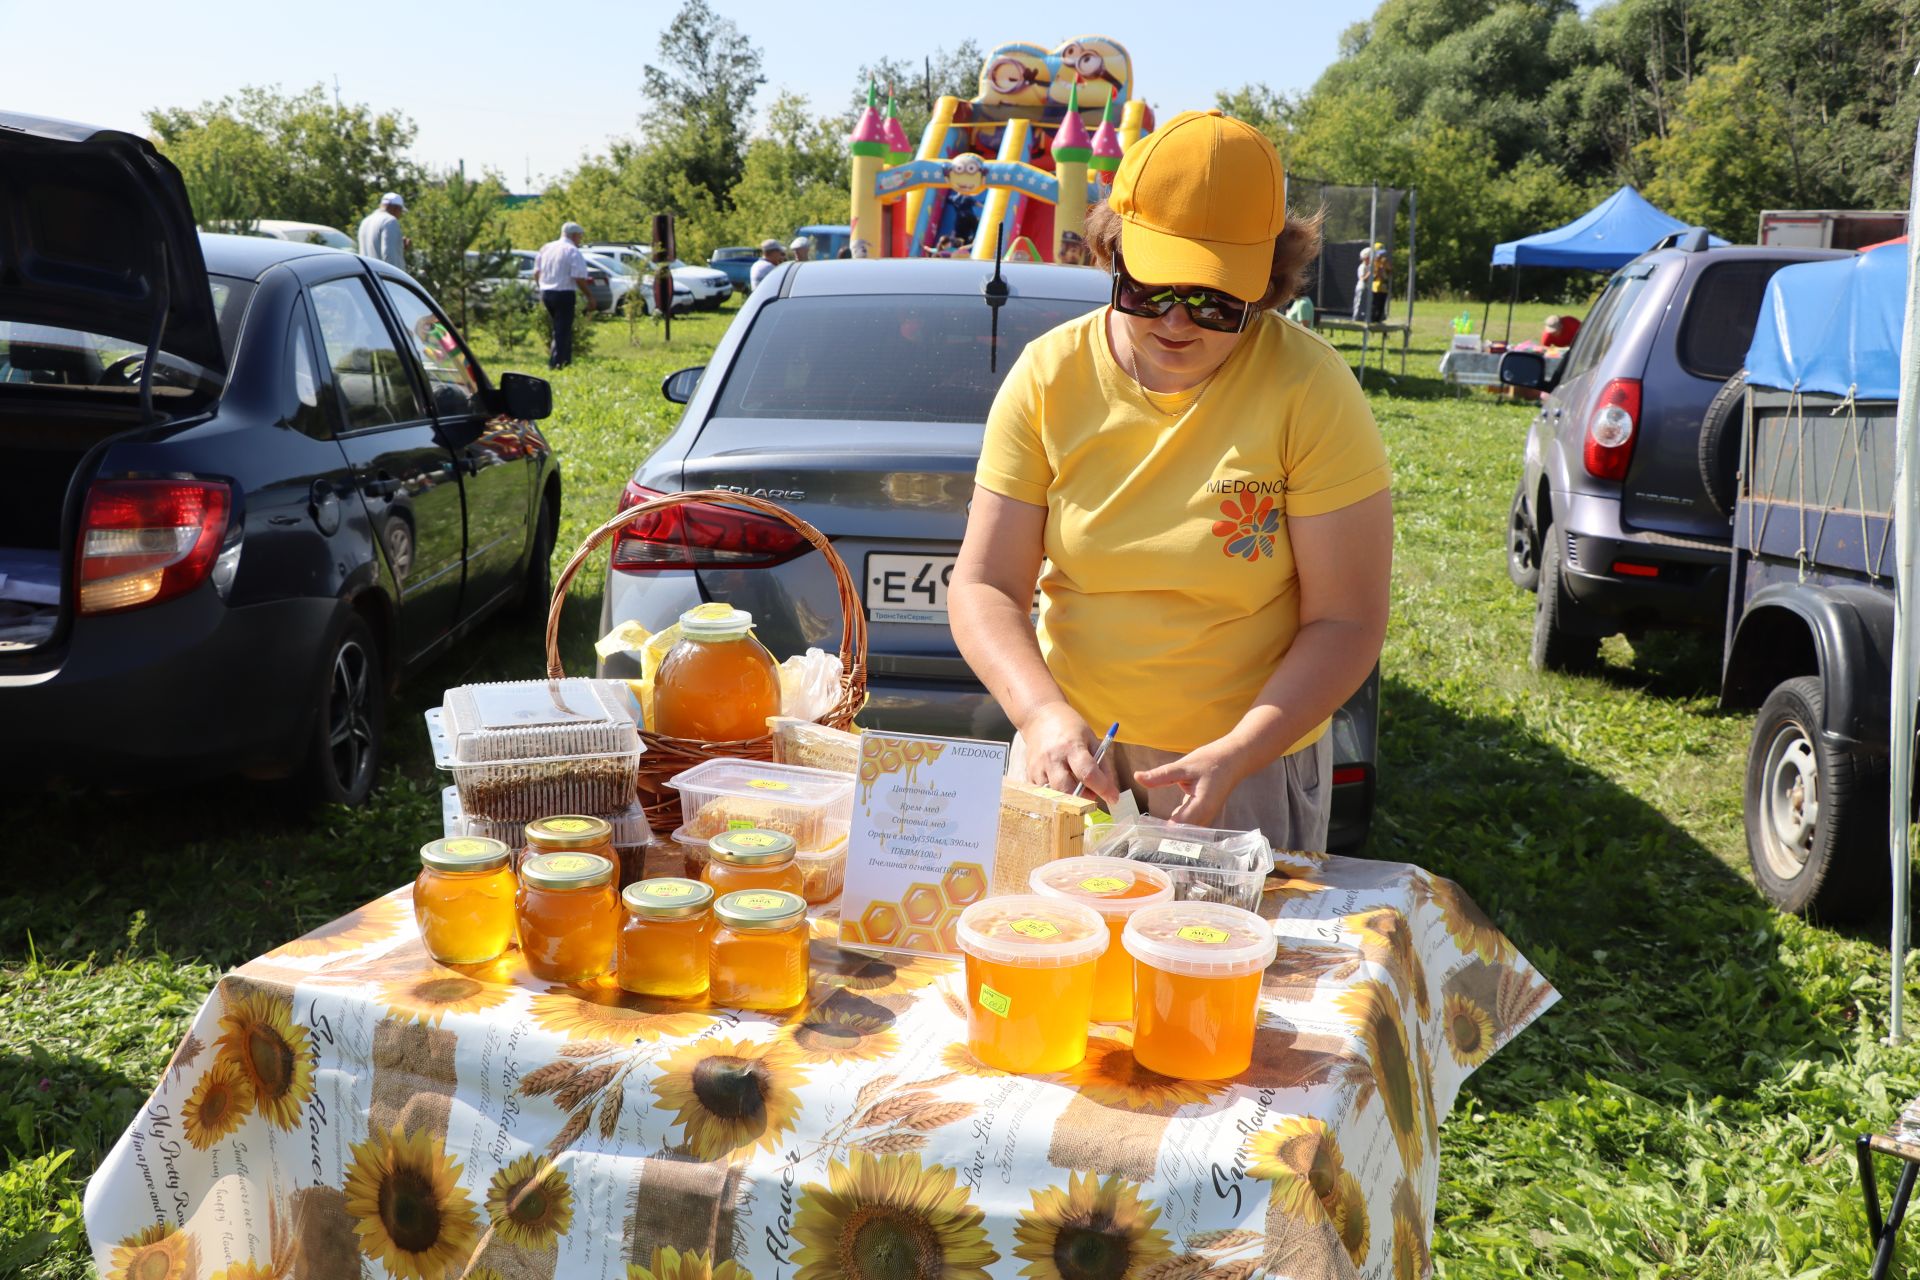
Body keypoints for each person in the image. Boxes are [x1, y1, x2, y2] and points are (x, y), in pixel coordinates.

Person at [949, 109, 1392, 850]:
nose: (1179, 323)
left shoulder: (1310, 388)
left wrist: (1245, 747)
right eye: (1150, 290)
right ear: (1111, 252)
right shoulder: (1049, 376)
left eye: (1219, 301)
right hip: (1072, 758)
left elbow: (1346, 621)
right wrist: (1039, 715)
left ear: (1271, 283)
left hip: (1245, 771)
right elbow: (984, 585)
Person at [532, 221, 597, 370]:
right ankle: (557, 363)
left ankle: (565, 360)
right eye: (579, 237)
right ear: (574, 236)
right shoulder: (572, 251)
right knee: (562, 329)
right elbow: (578, 277)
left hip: (547, 292)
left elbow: (536, 272)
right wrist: (589, 296)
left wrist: (541, 287)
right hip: (564, 293)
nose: (580, 240)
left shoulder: (547, 248)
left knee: (560, 327)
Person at [356, 192, 408, 269]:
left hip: (368, 276)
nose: (400, 216)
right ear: (396, 208)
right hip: (382, 277)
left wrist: (399, 246)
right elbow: (390, 257)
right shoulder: (390, 221)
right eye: (401, 211)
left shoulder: (366, 221)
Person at [1369, 241, 1392, 322]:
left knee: (1381, 306)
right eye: (1379, 254)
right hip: (1375, 288)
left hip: (1383, 287)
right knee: (1374, 305)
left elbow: (1389, 274)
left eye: (1382, 254)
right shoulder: (1373, 263)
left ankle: (1379, 320)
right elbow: (1372, 276)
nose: (1381, 256)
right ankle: (1372, 320)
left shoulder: (1385, 262)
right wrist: (1378, 270)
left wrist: (1385, 269)